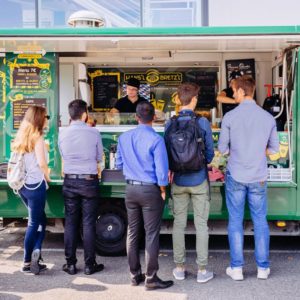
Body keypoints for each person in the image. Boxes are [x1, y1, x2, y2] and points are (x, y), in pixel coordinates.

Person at [218, 76, 279, 281]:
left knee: (235, 221)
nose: (233, 95)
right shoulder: (268, 118)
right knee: (260, 221)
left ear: (243, 92)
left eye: (234, 91)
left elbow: (223, 149)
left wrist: (235, 150)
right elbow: (274, 150)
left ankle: (237, 269)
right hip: (259, 175)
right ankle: (263, 268)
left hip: (236, 174)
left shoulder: (230, 117)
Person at [116, 101, 173, 290]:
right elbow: (162, 172)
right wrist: (163, 189)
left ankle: (134, 275)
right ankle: (151, 278)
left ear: (136, 117)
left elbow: (119, 164)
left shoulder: (124, 138)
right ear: (154, 118)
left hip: (130, 189)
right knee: (151, 234)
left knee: (132, 232)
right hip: (150, 190)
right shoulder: (156, 140)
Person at [166, 82, 215, 283]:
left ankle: (179, 268)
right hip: (199, 179)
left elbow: (166, 152)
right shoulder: (202, 123)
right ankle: (202, 271)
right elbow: (210, 154)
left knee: (179, 224)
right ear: (194, 99)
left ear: (178, 99)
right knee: (201, 225)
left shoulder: (170, 123)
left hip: (178, 180)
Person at [58, 99, 104, 276]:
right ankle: (89, 265)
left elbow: (63, 154)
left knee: (70, 222)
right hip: (89, 181)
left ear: (70, 114)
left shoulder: (62, 133)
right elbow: (99, 157)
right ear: (85, 114)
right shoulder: (94, 133)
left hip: (70, 181)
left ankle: (70, 264)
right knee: (88, 223)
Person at [12, 106, 51, 275]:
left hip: (22, 187)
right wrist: (47, 177)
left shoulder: (22, 137)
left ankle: (36, 254)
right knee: (35, 223)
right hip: (36, 186)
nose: (47, 118)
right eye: (46, 116)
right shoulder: (39, 138)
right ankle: (27, 262)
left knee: (40, 220)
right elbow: (42, 163)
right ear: (39, 118)